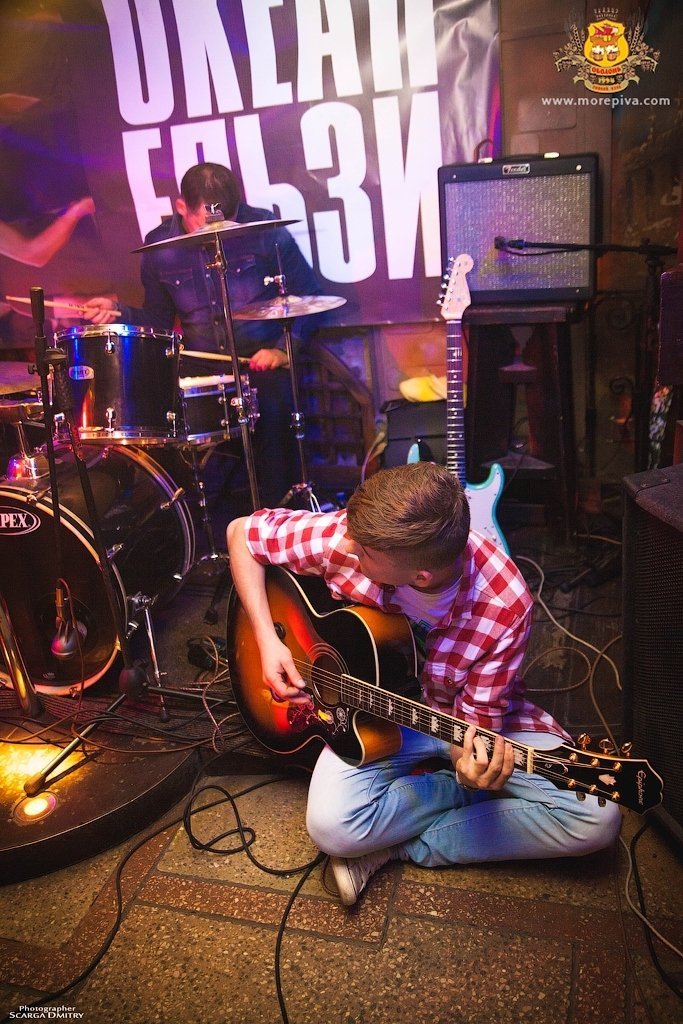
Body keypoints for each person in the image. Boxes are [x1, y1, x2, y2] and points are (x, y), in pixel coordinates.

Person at [226, 461, 622, 906]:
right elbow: (242, 533)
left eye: (362, 553)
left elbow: (473, 733)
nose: (347, 547)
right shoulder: (360, 535)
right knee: (331, 828)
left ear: (420, 577)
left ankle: (397, 845)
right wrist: (267, 638)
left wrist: (471, 769)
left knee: (597, 820)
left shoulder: (505, 605)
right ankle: (460, 803)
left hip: (460, 719)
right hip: (375, 718)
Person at [82, 163, 324, 509]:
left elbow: (311, 296)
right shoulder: (160, 247)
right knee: (158, 414)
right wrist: (118, 311)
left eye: (228, 222)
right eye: (205, 223)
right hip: (202, 365)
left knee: (276, 415)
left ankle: (278, 515)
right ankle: (189, 516)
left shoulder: (265, 230)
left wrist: (284, 350)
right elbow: (158, 319)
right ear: (181, 207)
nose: (217, 233)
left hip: (261, 361)